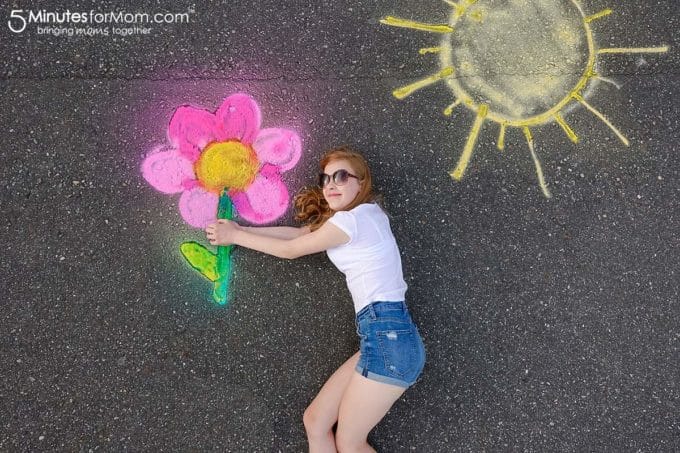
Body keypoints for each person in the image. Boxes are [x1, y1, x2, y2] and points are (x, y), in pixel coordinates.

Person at [205, 146, 425, 452]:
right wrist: (241, 228)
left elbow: (293, 250)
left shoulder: (355, 220)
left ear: (361, 183)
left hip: (389, 337)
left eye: (341, 176)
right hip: (383, 336)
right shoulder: (356, 219)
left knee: (350, 443)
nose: (331, 184)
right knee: (316, 420)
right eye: (326, 179)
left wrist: (235, 237)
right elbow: (299, 235)